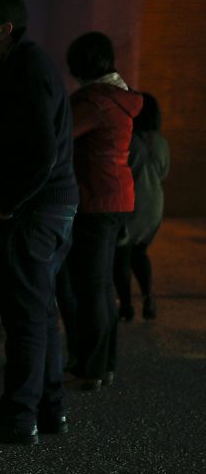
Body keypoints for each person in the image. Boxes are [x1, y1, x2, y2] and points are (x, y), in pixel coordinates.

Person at [0, 0, 79, 445]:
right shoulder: (18, 65)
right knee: (39, 312)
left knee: (25, 315)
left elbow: (42, 150)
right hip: (44, 207)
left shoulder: (25, 69)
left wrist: (10, 202)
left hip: (33, 211)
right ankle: (48, 411)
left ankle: (19, 417)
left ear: (3, 28)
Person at [63, 32, 143, 390]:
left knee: (89, 286)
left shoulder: (96, 102)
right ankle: (102, 364)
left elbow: (58, 134)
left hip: (95, 199)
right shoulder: (119, 96)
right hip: (117, 198)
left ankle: (91, 367)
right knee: (98, 286)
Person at [113, 92, 169, 322]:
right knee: (140, 251)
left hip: (131, 200)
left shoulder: (127, 138)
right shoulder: (160, 141)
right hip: (154, 202)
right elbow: (164, 172)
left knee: (121, 254)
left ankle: (126, 306)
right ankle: (148, 298)